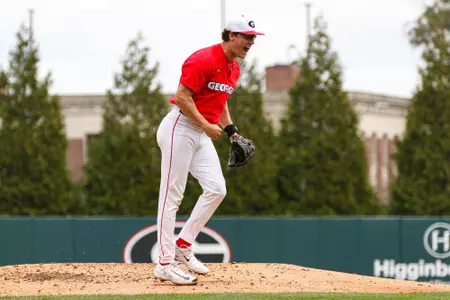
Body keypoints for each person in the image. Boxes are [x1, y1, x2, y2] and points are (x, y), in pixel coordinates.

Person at [153, 16, 264, 285]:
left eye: (253, 38)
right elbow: (182, 96)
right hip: (179, 127)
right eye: (247, 37)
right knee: (171, 197)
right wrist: (206, 124)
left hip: (200, 132)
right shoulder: (204, 59)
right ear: (231, 36)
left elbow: (220, 101)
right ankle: (165, 264)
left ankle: (183, 244)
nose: (251, 42)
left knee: (217, 188)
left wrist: (231, 131)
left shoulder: (233, 68)